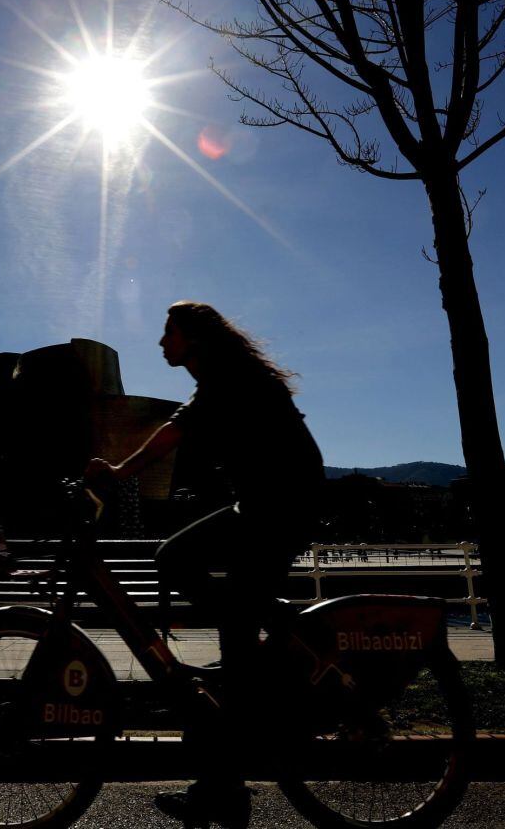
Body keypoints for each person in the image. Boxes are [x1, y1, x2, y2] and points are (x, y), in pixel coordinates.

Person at [85, 300, 323, 829]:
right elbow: (180, 431)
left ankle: (222, 788)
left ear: (193, 338)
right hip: (260, 505)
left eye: (168, 332)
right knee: (179, 564)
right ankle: (265, 618)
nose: (160, 342)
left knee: (232, 641)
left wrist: (118, 471)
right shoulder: (219, 380)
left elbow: (171, 435)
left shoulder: (228, 380)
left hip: (283, 506)